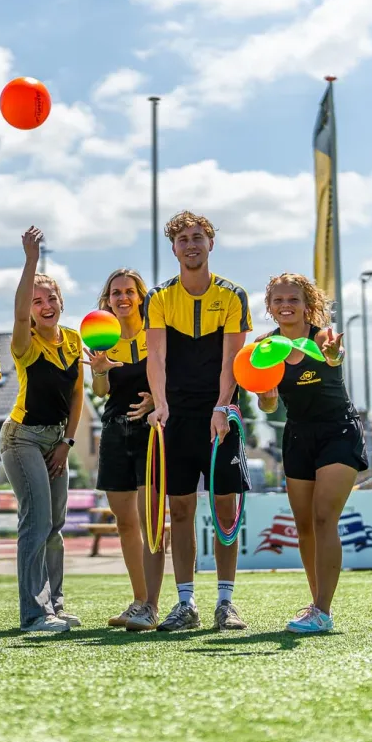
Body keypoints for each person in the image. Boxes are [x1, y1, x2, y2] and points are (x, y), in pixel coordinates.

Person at [145, 210, 251, 632]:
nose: (191, 245)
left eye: (198, 237)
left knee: (225, 508)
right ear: (173, 248)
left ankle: (226, 603)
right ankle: (185, 603)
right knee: (181, 508)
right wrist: (160, 404)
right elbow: (156, 356)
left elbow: (231, 359)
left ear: (211, 243)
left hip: (219, 414)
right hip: (177, 416)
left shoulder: (232, 295)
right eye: (183, 239)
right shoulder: (159, 297)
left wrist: (222, 406)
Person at [255, 273, 366, 634]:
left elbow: (334, 357)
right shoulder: (264, 346)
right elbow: (268, 405)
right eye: (278, 301)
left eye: (293, 300)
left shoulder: (322, 336)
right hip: (297, 435)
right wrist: (267, 397)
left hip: (338, 431)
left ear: (307, 305)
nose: (286, 306)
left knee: (323, 519)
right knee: (303, 526)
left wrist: (334, 356)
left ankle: (322, 609)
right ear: (270, 307)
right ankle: (317, 606)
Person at [1, 227, 85, 633]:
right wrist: (31, 260)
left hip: (57, 440)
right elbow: (17, 316)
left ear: (62, 303)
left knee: (54, 525)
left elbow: (78, 397)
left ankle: (54, 603)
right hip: (22, 439)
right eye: (37, 301)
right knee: (35, 523)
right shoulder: (25, 342)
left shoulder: (73, 339)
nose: (45, 305)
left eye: (51, 298)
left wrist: (67, 443)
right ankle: (34, 614)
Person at [85, 269, 164, 631]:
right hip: (115, 433)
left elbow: (173, 377)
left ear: (141, 296)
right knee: (125, 522)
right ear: (108, 300)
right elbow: (100, 394)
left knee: (150, 522)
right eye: (116, 292)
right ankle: (138, 600)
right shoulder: (102, 338)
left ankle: (153, 604)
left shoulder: (157, 334)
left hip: (152, 434)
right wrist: (99, 370)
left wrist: (155, 401)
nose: (123, 298)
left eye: (130, 291)